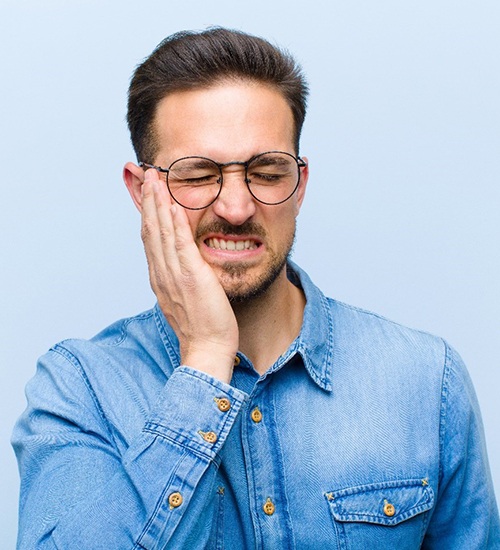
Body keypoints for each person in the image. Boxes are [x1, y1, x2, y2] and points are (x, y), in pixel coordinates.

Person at [12, 27, 499, 549]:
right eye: (197, 174)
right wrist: (205, 358)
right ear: (141, 191)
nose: (237, 208)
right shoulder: (78, 391)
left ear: (301, 185)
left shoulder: (427, 380)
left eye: (266, 172)